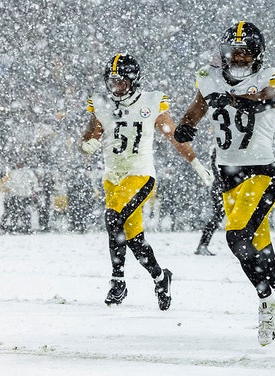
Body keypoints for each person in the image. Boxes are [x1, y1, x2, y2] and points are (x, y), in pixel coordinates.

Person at [173, 21, 275, 349]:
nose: (237, 58)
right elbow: (197, 108)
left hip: (262, 173)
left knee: (237, 238)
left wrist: (232, 100)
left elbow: (270, 98)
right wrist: (186, 127)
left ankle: (266, 303)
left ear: (258, 53)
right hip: (227, 176)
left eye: (245, 51)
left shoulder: (272, 75)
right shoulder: (210, 77)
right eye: (232, 52)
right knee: (259, 250)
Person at [81, 53, 213, 311]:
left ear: (134, 80)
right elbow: (88, 137)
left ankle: (118, 281)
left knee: (112, 217)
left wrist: (196, 164)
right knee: (133, 238)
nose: (116, 88)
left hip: (139, 174)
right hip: (113, 179)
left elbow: (174, 136)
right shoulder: (101, 104)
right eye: (112, 82)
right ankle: (161, 278)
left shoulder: (151, 102)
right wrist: (87, 146)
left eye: (121, 82)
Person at [194, 149, 226, 256]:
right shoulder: (222, 150)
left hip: (220, 187)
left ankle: (203, 245)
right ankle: (203, 245)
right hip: (222, 188)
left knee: (217, 217)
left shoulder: (219, 149)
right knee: (217, 217)